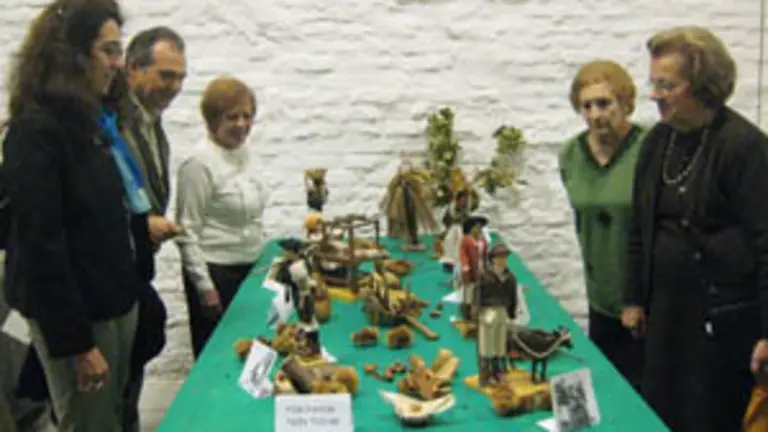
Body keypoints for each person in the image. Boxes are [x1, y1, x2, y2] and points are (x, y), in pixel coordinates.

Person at [2, 0, 149, 429]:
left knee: (112, 415)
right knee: (88, 423)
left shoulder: (89, 125)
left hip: (115, 303)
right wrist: (78, 345)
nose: (119, 65)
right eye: (109, 51)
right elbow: (40, 248)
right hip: (83, 319)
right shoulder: (36, 132)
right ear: (73, 56)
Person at [622, 26, 768, 432]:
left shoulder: (745, 147)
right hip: (667, 316)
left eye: (667, 84)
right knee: (660, 415)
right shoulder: (657, 142)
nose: (654, 95)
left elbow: (766, 241)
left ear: (702, 85)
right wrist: (633, 298)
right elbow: (640, 226)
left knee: (709, 418)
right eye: (653, 83)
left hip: (722, 322)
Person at [558, 60, 648, 390]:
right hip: (600, 296)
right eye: (586, 106)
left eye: (605, 103)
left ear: (625, 102)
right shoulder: (570, 154)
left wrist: (638, 299)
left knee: (647, 396)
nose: (596, 114)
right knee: (608, 390)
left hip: (646, 298)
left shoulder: (649, 147)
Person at [121, 25, 186, 432]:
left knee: (131, 373)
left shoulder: (152, 123)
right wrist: (140, 224)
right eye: (166, 76)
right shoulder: (110, 124)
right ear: (132, 69)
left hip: (135, 266)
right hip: (110, 271)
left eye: (180, 77)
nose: (175, 87)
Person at [175, 76, 269, 359]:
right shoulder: (198, 163)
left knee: (252, 351)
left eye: (247, 116)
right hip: (216, 274)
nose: (242, 124)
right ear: (212, 120)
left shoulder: (246, 154)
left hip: (250, 268)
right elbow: (186, 231)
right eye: (232, 117)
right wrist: (204, 286)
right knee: (217, 356)